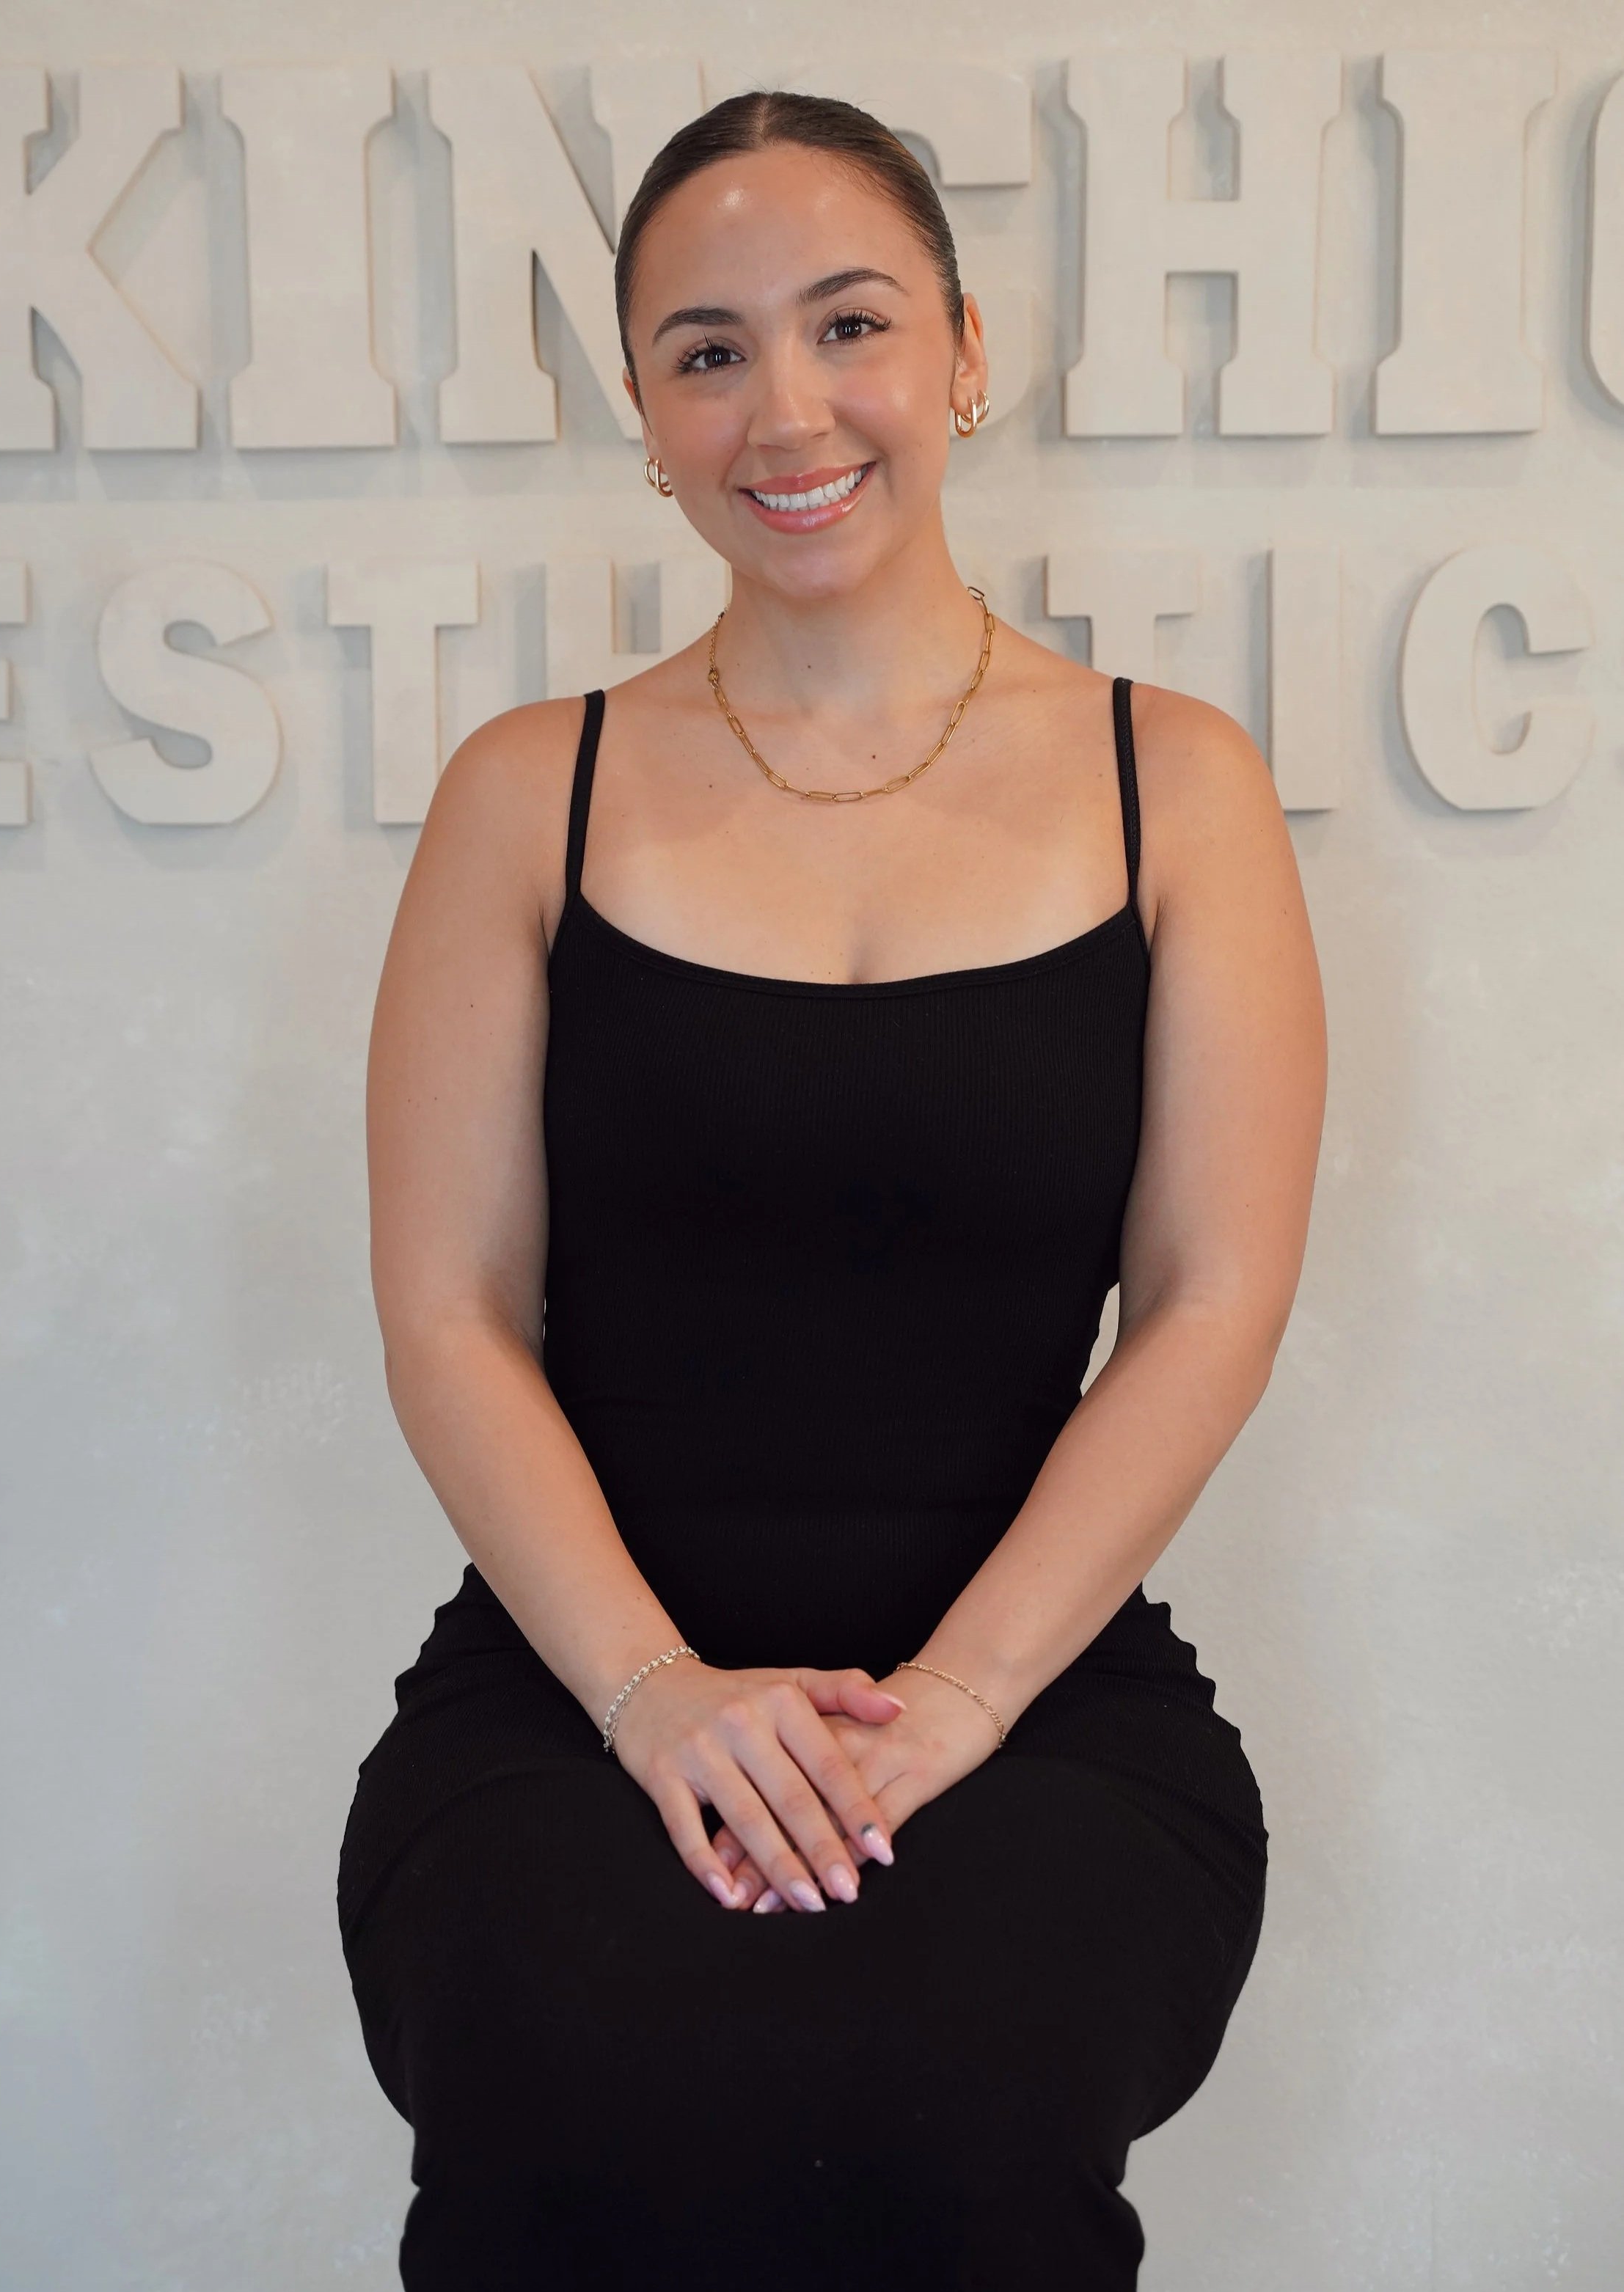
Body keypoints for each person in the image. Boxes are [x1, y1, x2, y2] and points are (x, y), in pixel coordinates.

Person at [337, 87, 1326, 2291]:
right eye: (707, 351)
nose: (785, 408)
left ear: (963, 353)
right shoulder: (524, 794)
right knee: (573, 2075)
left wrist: (953, 1708)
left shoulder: (1177, 784)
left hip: (1038, 1695)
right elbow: (446, 1315)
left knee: (948, 2098)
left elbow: (1208, 1303)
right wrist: (657, 1698)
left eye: (849, 323)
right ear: (646, 416)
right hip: (576, 1687)